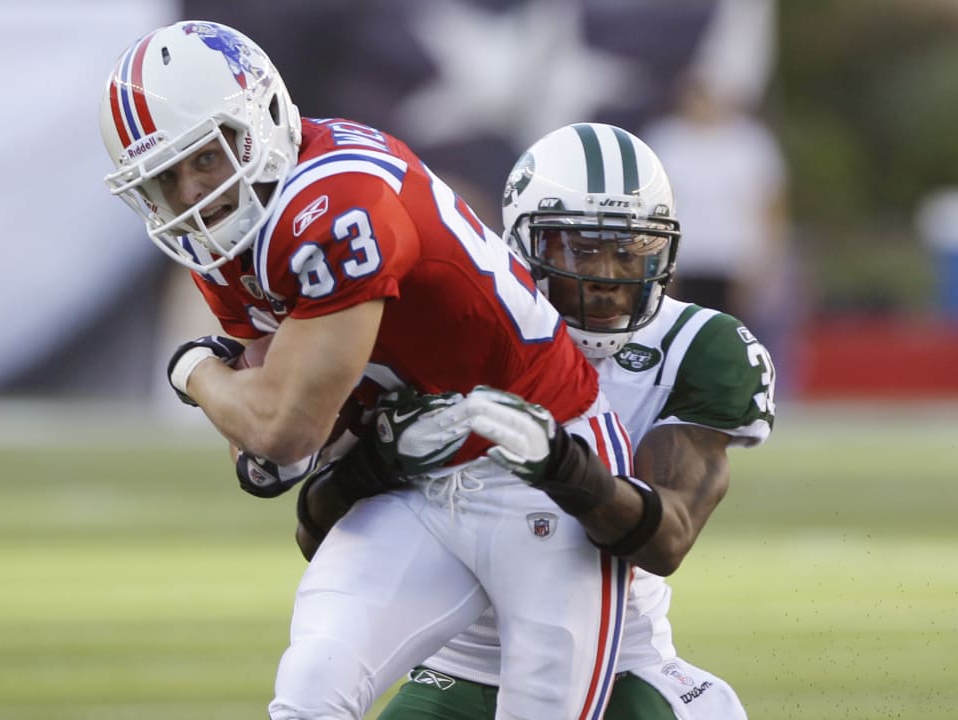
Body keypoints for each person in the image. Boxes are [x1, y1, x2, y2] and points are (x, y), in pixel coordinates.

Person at [99, 21, 648, 720]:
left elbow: (280, 428)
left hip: (540, 464)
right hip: (415, 481)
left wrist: (192, 372)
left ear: (258, 119)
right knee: (309, 693)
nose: (193, 192)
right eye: (166, 178)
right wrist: (251, 408)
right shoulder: (237, 230)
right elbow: (264, 455)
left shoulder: (334, 202)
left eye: (206, 157)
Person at [296, 123, 776, 718]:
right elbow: (316, 536)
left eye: (628, 250)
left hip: (618, 655)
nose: (605, 275)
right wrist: (377, 461)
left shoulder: (697, 347)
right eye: (578, 247)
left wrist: (563, 465)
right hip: (460, 660)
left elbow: (666, 539)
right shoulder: (457, 325)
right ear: (522, 246)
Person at [641, 73, 799, 394]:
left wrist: (766, 260)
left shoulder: (750, 143)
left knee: (735, 337)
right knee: (684, 335)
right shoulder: (667, 141)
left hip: (734, 259)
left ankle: (743, 396)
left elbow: (769, 205)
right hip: (687, 259)